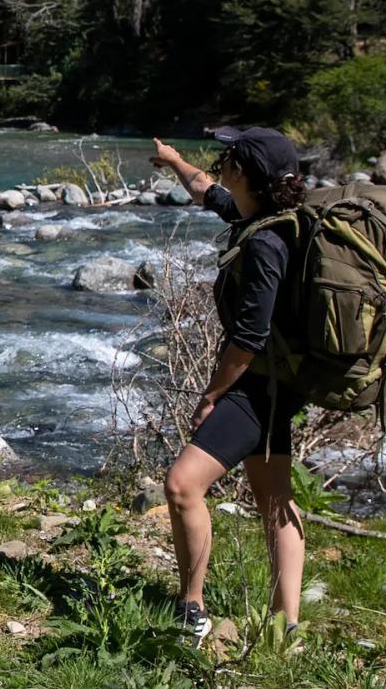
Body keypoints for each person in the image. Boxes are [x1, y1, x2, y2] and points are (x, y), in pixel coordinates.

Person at [150, 126, 309, 643]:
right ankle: (286, 626)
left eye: (228, 158)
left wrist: (213, 394)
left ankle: (192, 610)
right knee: (275, 498)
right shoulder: (262, 217)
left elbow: (249, 336)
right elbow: (207, 191)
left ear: (242, 171)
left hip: (256, 386)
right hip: (281, 382)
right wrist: (174, 161)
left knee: (182, 486)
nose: (220, 164)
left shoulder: (264, 243)